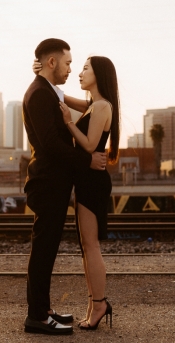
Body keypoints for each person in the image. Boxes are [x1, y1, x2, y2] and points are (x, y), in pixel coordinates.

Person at [22, 38, 108, 335]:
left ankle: (43, 310)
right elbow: (51, 145)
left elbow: (76, 106)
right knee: (43, 250)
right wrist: (87, 162)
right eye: (68, 63)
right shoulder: (39, 95)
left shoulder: (47, 92)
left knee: (46, 249)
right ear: (52, 62)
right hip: (47, 184)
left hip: (53, 183)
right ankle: (37, 317)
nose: (71, 68)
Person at [58, 55, 119, 330]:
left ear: (100, 74)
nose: (79, 73)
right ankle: (94, 303)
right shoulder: (94, 105)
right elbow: (68, 100)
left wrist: (68, 123)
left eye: (85, 69)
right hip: (87, 180)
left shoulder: (103, 106)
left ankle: (100, 304)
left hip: (93, 182)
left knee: (91, 247)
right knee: (86, 247)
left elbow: (90, 144)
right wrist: (48, 83)